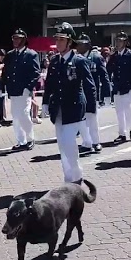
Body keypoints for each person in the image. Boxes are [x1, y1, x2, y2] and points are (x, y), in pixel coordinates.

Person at [42, 24, 94, 184]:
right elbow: (49, 84)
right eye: (57, 39)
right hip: (58, 108)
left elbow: (89, 84)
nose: (58, 42)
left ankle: (77, 178)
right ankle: (68, 178)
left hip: (73, 107)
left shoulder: (78, 60)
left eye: (62, 39)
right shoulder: (55, 61)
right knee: (61, 146)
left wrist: (91, 107)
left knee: (69, 144)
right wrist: (45, 102)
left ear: (70, 42)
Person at [3, 28, 40, 151]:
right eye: (14, 38)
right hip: (13, 90)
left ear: (24, 39)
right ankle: (21, 141)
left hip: (24, 90)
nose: (15, 40)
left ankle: (30, 139)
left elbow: (35, 73)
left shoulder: (31, 54)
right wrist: (4, 86)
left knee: (24, 114)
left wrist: (28, 87)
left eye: (18, 38)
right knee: (16, 116)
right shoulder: (10, 55)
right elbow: (6, 72)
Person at [106, 31, 131, 143]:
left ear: (125, 42)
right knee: (119, 111)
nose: (118, 43)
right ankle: (122, 133)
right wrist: (109, 83)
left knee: (127, 108)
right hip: (117, 86)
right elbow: (108, 70)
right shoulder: (114, 56)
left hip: (128, 86)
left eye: (121, 41)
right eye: (117, 40)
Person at [73, 35, 101, 155]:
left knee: (92, 119)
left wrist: (105, 93)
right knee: (81, 120)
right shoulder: (75, 59)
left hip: (91, 92)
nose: (80, 46)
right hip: (79, 93)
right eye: (78, 44)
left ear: (88, 45)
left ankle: (96, 142)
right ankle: (86, 143)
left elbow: (103, 75)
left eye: (82, 44)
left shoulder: (96, 57)